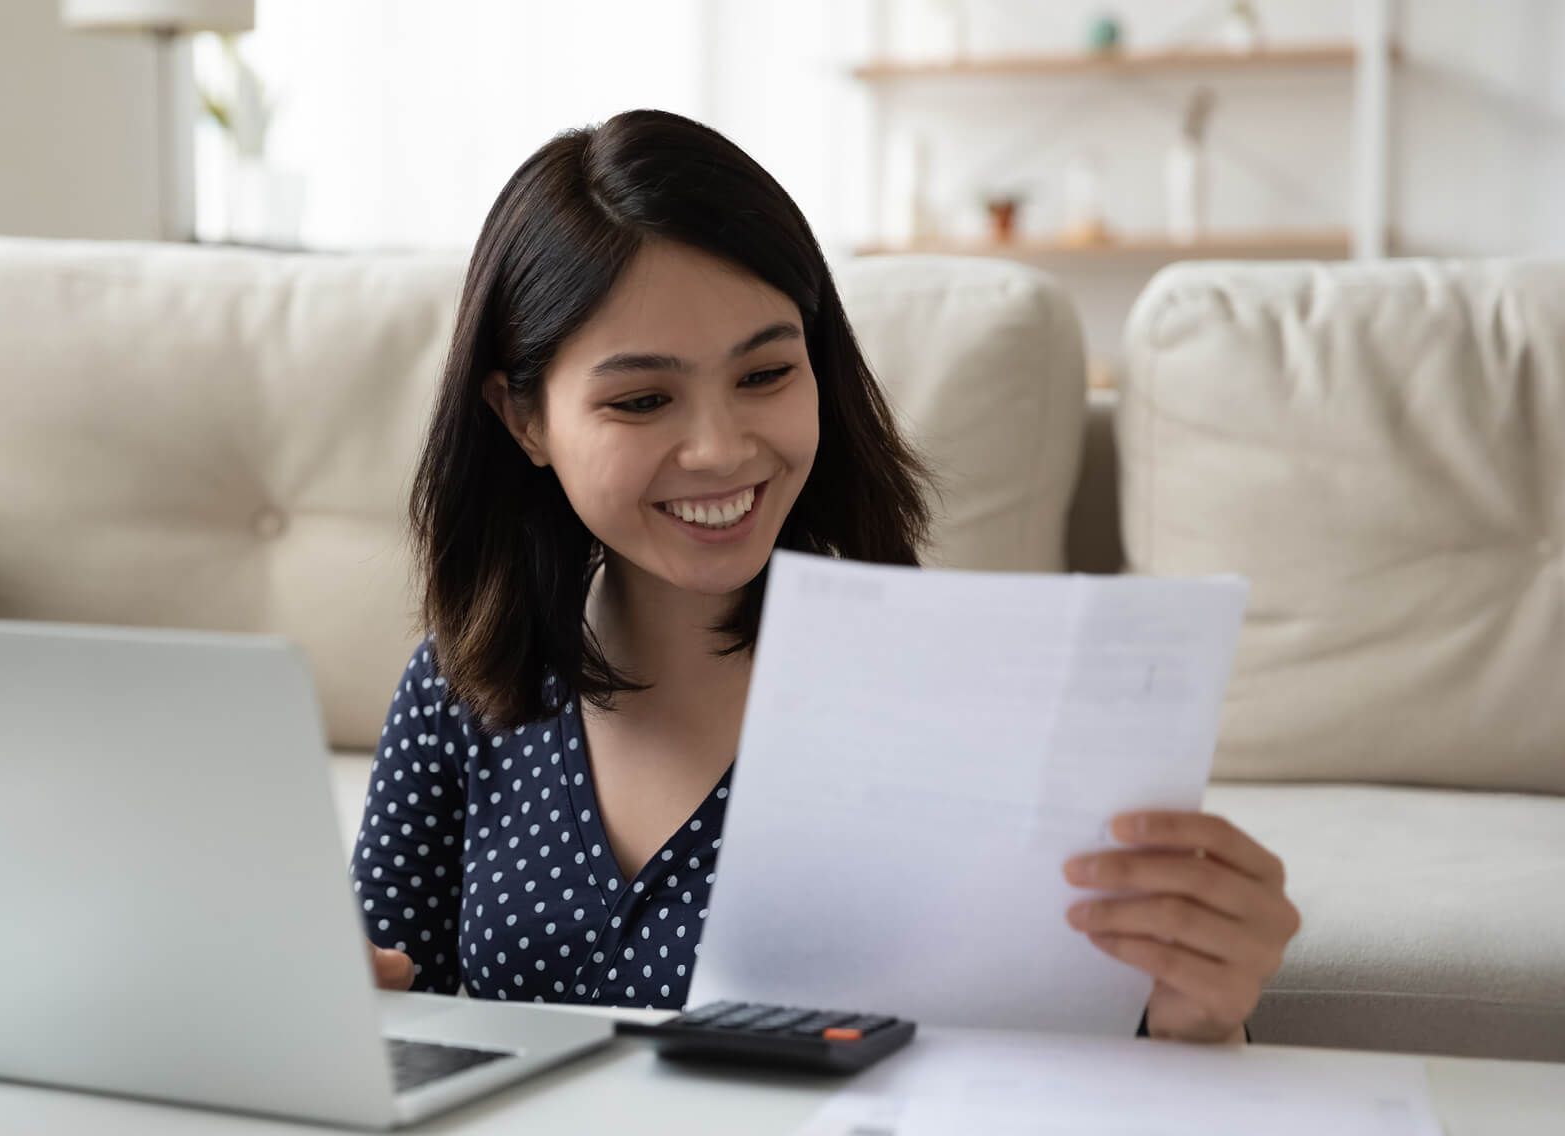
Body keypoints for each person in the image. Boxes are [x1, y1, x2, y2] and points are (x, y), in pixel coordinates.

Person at [350, 109, 1298, 1043]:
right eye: (642, 399)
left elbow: (1089, 1063)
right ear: (523, 421)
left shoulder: (954, 697)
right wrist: (337, 999)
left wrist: (1200, 1020)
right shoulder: (459, 691)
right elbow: (386, 1026)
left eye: (765, 375)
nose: (722, 449)